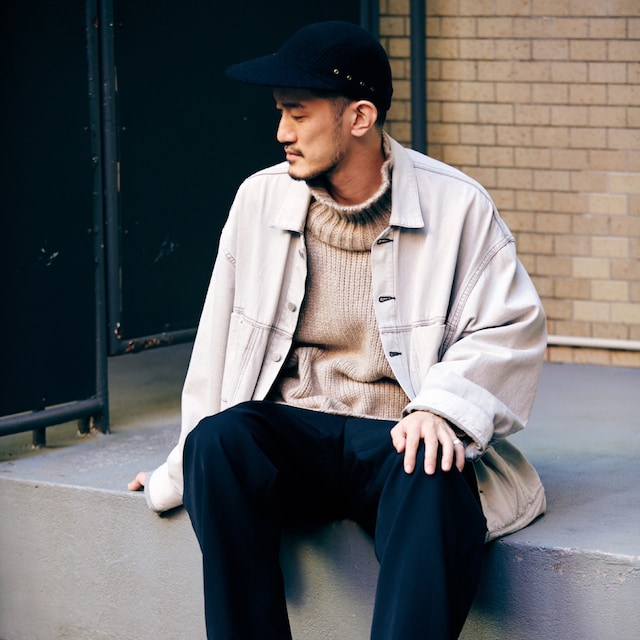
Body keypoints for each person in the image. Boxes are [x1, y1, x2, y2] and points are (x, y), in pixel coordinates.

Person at [129, 21, 547, 640]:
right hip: (296, 438)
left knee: (432, 467)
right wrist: (181, 465)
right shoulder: (258, 200)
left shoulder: (457, 205)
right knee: (220, 443)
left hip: (397, 441)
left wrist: (441, 408)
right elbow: (219, 349)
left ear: (359, 117)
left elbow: (508, 328)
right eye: (280, 113)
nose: (282, 133)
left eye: (297, 114)